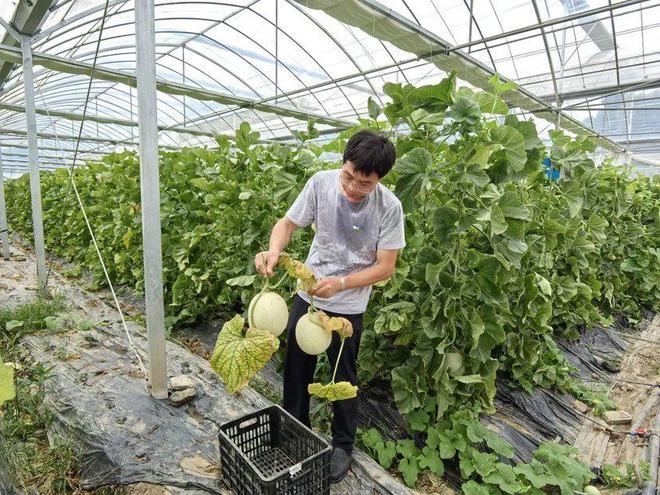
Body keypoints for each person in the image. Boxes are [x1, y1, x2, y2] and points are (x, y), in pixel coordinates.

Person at [254, 129, 405, 483]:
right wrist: (275, 250)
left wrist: (340, 283)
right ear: (343, 163)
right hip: (307, 297)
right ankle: (294, 427)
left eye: (364, 183)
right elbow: (287, 223)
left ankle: (342, 445)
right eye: (348, 176)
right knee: (296, 366)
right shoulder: (321, 183)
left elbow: (386, 267)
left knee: (343, 375)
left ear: (379, 180)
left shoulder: (389, 207)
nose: (353, 187)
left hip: (348, 305)